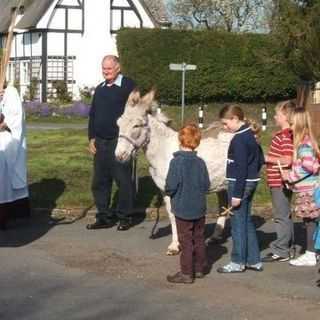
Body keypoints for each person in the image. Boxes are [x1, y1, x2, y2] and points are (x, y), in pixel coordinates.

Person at [87, 55, 136, 231]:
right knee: (100, 181)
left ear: (118, 68)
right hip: (101, 142)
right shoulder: (100, 89)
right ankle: (104, 217)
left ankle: (125, 217)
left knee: (123, 180)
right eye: (103, 68)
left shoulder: (128, 85)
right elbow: (93, 115)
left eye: (108, 68)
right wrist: (91, 138)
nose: (105, 71)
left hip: (119, 141)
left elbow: (134, 113)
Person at [217, 105, 264, 273]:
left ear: (235, 118)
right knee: (246, 221)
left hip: (239, 183)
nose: (224, 127)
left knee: (237, 223)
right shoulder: (250, 135)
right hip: (250, 181)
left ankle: (238, 261)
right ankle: (253, 260)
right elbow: (260, 159)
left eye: (225, 123)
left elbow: (242, 167)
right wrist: (254, 176)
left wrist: (237, 194)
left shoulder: (239, 139)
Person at [165, 124, 210, 284]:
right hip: (199, 207)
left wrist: (169, 193)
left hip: (183, 207)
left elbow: (171, 185)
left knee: (185, 240)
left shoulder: (176, 162)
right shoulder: (200, 162)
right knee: (199, 238)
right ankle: (199, 268)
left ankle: (186, 272)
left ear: (180, 140)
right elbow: (206, 185)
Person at [281, 107, 320, 266]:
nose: (289, 128)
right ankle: (314, 252)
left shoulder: (304, 145)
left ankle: (310, 254)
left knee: (309, 220)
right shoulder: (307, 142)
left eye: (291, 124)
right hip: (308, 187)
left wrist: (289, 176)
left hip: (308, 190)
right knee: (311, 220)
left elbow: (308, 167)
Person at [262, 101, 295, 263]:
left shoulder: (285, 136)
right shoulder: (286, 134)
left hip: (279, 182)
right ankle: (288, 246)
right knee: (284, 214)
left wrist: (267, 158)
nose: (275, 117)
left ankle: (282, 250)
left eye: (278, 114)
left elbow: (288, 160)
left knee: (281, 215)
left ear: (286, 117)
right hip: (277, 181)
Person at [0, 85, 30, 230]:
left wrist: (4, 123)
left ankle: (5, 215)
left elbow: (15, 117)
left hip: (5, 141)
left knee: (4, 179)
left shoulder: (10, 92)